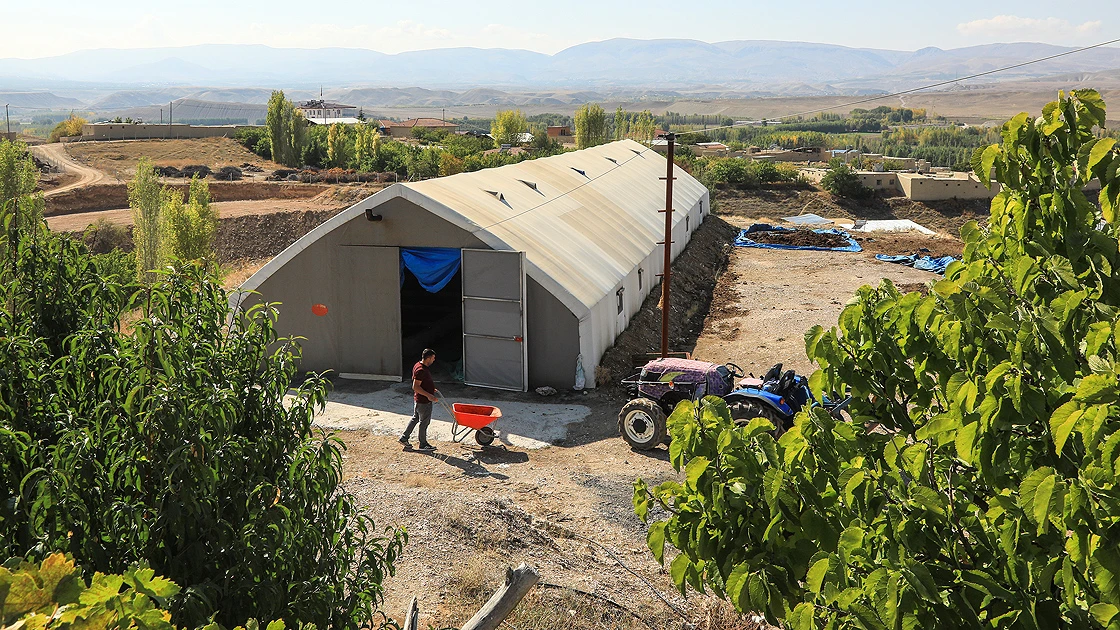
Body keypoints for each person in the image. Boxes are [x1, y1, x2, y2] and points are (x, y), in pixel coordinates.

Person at [400, 348, 439, 451]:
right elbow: (416, 386)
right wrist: (429, 395)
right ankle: (423, 444)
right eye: (433, 358)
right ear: (428, 358)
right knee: (424, 422)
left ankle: (404, 437)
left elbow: (422, 383)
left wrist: (430, 388)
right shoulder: (421, 370)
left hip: (419, 400)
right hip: (423, 401)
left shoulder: (419, 365)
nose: (434, 360)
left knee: (415, 418)